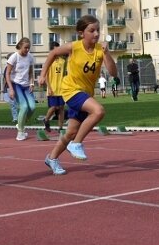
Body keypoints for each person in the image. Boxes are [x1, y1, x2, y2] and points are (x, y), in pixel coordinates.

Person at [39, 15, 118, 175]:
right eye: (92, 30)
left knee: (70, 132)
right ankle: (76, 144)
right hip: (71, 90)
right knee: (98, 111)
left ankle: (52, 158)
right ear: (81, 33)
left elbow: (113, 73)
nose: (96, 34)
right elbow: (53, 53)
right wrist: (42, 74)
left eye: (98, 30)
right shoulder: (74, 47)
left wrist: (107, 53)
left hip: (86, 94)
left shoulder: (99, 51)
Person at [7, 38, 36, 141]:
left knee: (32, 107)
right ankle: (20, 132)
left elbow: (31, 72)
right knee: (24, 106)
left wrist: (32, 83)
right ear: (20, 46)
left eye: (29, 48)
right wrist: (11, 89)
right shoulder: (14, 57)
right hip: (16, 84)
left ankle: (20, 123)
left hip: (27, 85)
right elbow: (7, 73)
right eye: (25, 48)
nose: (27, 50)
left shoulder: (30, 57)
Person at [42, 41, 67, 133]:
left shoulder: (63, 61)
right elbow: (46, 76)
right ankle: (46, 119)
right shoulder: (48, 61)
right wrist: (49, 87)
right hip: (52, 88)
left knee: (61, 108)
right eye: (56, 49)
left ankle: (60, 128)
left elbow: (64, 74)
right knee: (53, 107)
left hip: (61, 88)